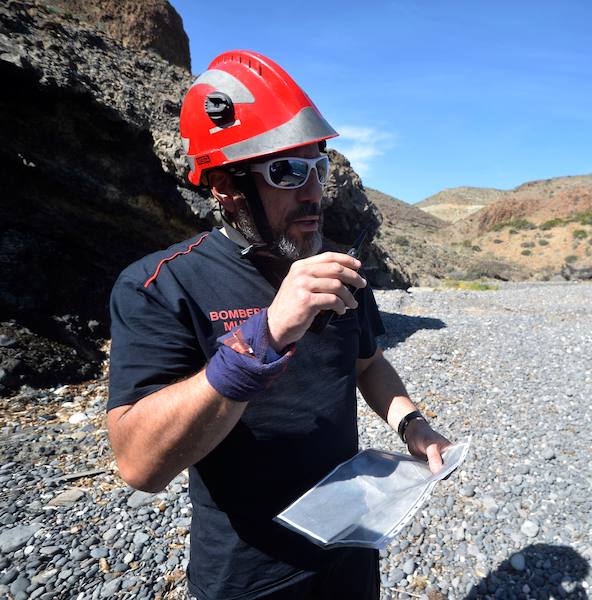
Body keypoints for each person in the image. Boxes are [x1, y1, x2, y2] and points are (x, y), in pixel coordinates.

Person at [105, 50, 452, 600]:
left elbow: (367, 362)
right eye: (287, 171)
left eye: (319, 166)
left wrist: (412, 425)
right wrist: (263, 336)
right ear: (224, 185)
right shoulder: (162, 285)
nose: (313, 190)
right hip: (249, 572)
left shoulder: (335, 264)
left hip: (350, 544)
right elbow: (139, 463)